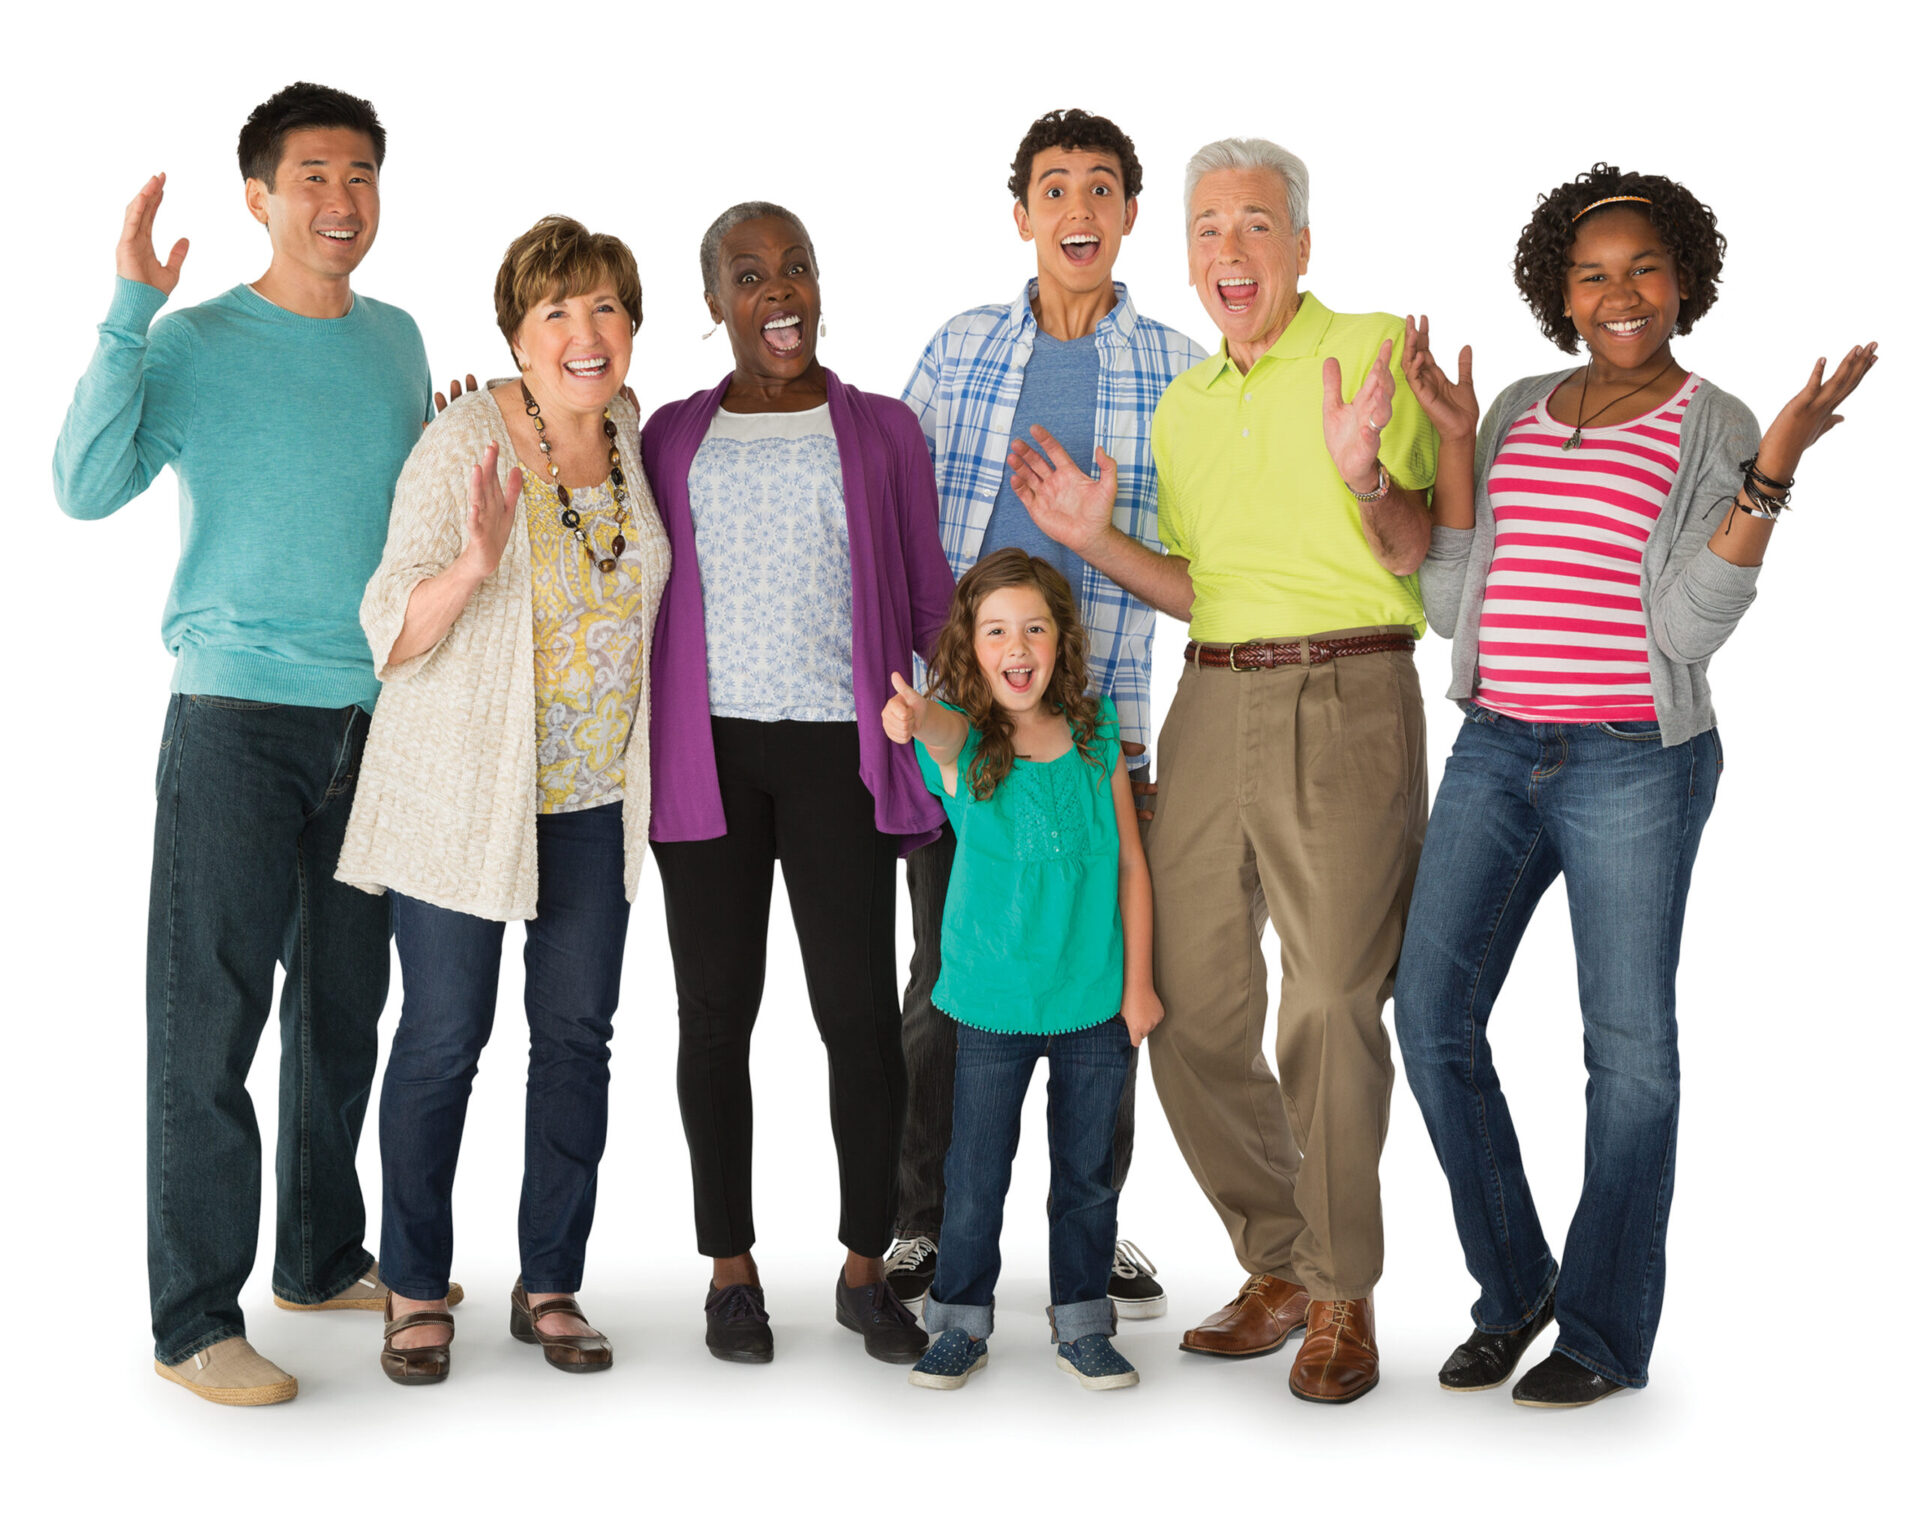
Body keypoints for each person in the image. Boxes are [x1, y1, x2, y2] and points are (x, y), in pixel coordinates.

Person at [1393, 165, 1877, 1408]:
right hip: (1497, 748)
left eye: (1644, 268)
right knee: (1430, 1018)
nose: (1621, 294)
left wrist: (1772, 470)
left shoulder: (1712, 423)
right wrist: (1449, 447)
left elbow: (1688, 628)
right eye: (1593, 272)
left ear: (1685, 282)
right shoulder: (1511, 407)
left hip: (1632, 762)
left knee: (1630, 1054)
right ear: (1559, 290)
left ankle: (1604, 1334)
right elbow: (1455, 600)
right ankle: (1515, 1288)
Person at [1008, 136, 1436, 1403]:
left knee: (1328, 1003)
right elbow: (1200, 587)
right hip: (1213, 694)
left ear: (1301, 244)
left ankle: (1345, 1291)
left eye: (1256, 225)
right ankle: (1282, 1260)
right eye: (1207, 228)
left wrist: (1365, 477)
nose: (1230, 251)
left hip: (1351, 686)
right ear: (1183, 251)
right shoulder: (1187, 402)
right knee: (1180, 1001)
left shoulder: (1368, 350)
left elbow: (1417, 542)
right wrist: (1102, 540)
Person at [52, 82, 444, 1406]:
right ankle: (192, 1323)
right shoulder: (197, 341)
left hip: (375, 721)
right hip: (232, 720)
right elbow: (82, 486)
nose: (342, 203)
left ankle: (320, 1254)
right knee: (206, 1025)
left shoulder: (396, 340)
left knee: (345, 1017)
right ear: (259, 196)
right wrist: (126, 312)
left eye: (362, 177)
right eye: (314, 177)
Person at [334, 216, 668, 1384]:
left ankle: (550, 1283)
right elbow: (389, 630)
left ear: (632, 326)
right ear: (517, 340)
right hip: (465, 796)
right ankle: (415, 1286)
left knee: (577, 1041)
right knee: (441, 1040)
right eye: (557, 315)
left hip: (591, 802)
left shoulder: (628, 432)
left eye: (606, 310)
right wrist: (474, 563)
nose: (586, 335)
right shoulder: (465, 440)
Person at [889, 107, 1204, 1321]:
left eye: (1103, 189)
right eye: (1054, 189)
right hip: (964, 739)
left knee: (1102, 973)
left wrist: (1094, 537)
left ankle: (1096, 1225)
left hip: (1100, 732)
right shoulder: (962, 348)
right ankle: (923, 1223)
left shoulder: (1176, 369)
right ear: (1021, 214)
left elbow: (1199, 566)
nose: (1078, 210)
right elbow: (894, 507)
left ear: (1129, 214)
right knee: (946, 978)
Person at [642, 201, 953, 1367]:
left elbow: (928, 600)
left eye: (799, 269)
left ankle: (866, 1267)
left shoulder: (878, 432)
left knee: (860, 1020)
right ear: (715, 302)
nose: (782, 292)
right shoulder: (670, 434)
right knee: (714, 1020)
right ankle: (731, 1273)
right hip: (708, 759)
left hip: (841, 751)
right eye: (751, 274)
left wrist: (971, 734)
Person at [883, 549, 1161, 1392]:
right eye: (996, 629)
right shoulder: (970, 741)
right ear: (972, 646)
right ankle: (959, 1320)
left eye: (1034, 627)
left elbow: (1130, 869)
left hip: (1093, 1006)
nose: (1018, 644)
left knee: (1086, 1177)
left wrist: (1140, 986)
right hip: (992, 1006)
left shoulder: (1098, 732)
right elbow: (939, 729)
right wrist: (915, 715)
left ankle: (1082, 1321)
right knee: (974, 1175)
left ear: (1060, 640)